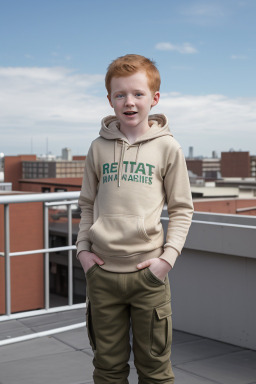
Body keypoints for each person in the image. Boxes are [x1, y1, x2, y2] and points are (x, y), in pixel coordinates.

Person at [76, 54, 193, 384]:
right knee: (107, 369)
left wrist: (166, 260)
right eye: (120, 94)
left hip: (149, 278)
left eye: (138, 94)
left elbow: (182, 209)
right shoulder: (98, 148)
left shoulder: (168, 148)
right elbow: (87, 205)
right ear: (110, 99)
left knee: (155, 371)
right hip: (102, 275)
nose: (129, 102)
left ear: (154, 99)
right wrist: (83, 252)